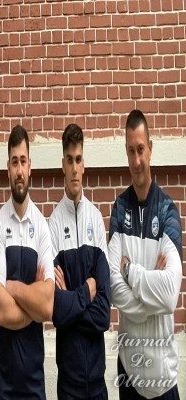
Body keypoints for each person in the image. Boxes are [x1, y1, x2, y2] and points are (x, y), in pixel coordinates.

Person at [108, 109, 182, 400]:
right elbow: (113, 287)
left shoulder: (167, 211)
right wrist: (152, 292)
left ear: (150, 148)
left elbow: (169, 296)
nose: (137, 160)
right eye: (131, 151)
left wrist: (130, 272)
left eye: (141, 149)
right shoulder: (119, 210)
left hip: (162, 381)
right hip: (129, 375)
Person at [0, 124, 54, 400]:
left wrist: (12, 288)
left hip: (34, 383)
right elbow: (0, 311)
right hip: (4, 384)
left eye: (23, 162)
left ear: (30, 167)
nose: (19, 170)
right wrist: (33, 305)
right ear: (8, 168)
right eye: (14, 162)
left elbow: (48, 306)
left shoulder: (41, 226)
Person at [48, 123, 111, 400]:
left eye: (78, 160)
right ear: (62, 165)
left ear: (84, 164)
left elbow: (104, 313)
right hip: (68, 385)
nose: (74, 168)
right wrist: (86, 292)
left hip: (97, 383)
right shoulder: (52, 225)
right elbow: (57, 312)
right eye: (69, 160)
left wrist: (71, 300)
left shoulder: (96, 220)